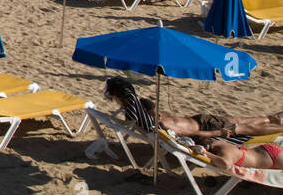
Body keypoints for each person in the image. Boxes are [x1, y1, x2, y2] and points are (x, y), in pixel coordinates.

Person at [102, 78, 283, 139]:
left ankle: (271, 118)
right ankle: (275, 123)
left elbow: (136, 103)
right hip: (206, 127)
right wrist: (216, 134)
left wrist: (151, 106)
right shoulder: (157, 126)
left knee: (241, 120)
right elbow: (189, 135)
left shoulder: (144, 116)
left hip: (199, 120)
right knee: (246, 127)